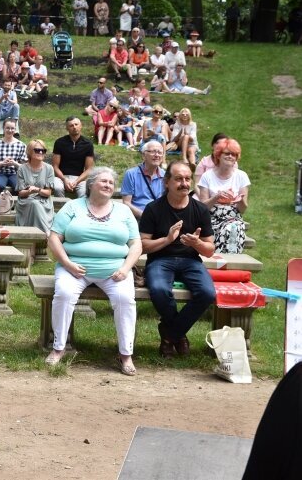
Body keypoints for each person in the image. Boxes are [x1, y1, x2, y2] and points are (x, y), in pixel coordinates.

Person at [44, 167, 142, 376]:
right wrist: (67, 263)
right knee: (64, 294)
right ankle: (58, 349)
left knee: (126, 299)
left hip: (115, 270)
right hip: (74, 268)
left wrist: (125, 269)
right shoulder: (72, 207)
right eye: (103, 181)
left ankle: (126, 355)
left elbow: (136, 244)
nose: (108, 185)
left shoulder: (123, 211)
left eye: (111, 183)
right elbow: (54, 238)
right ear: (91, 185)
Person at [140, 160, 216, 358]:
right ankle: (179, 336)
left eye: (187, 179)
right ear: (166, 182)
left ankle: (170, 334)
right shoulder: (153, 208)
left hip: (191, 261)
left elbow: (209, 250)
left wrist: (196, 244)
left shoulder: (200, 210)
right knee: (159, 290)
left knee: (207, 293)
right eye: (178, 179)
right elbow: (142, 245)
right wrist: (167, 240)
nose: (184, 183)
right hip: (159, 260)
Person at [196, 138, 250, 254]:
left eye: (234, 154)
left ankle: (230, 261)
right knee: (226, 230)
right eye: (227, 153)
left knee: (233, 228)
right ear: (218, 155)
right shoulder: (207, 176)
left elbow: (243, 209)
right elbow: (203, 208)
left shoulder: (241, 176)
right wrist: (216, 197)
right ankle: (219, 262)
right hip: (210, 218)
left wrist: (239, 200)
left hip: (233, 217)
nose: (230, 156)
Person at [15, 139, 55, 234]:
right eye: (37, 150)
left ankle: (41, 235)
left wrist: (37, 189)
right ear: (29, 151)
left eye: (43, 150)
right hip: (26, 201)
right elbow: (21, 194)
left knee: (36, 204)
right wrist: (30, 191)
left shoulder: (49, 169)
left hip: (44, 202)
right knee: (34, 204)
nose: (40, 152)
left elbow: (48, 193)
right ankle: (46, 234)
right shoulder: (22, 169)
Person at [120, 141, 165, 219]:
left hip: (159, 218)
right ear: (144, 155)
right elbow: (126, 203)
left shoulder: (165, 175)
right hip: (138, 218)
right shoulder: (131, 174)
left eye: (160, 152)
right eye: (153, 152)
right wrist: (145, 216)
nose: (157, 155)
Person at [52, 116, 94, 198]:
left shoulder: (88, 144)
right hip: (61, 177)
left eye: (76, 124)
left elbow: (89, 169)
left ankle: (80, 210)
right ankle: (62, 209)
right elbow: (55, 166)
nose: (74, 127)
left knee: (84, 191)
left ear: (81, 126)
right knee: (57, 188)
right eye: (71, 125)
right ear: (67, 128)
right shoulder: (59, 142)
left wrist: (77, 181)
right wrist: (64, 180)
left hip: (79, 178)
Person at [0, 119, 26, 192]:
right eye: (7, 128)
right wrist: (2, 163)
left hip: (15, 173)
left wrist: (14, 163)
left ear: (15, 129)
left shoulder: (21, 145)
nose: (10, 130)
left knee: (19, 186)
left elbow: (25, 167)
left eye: (12, 128)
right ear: (3, 128)